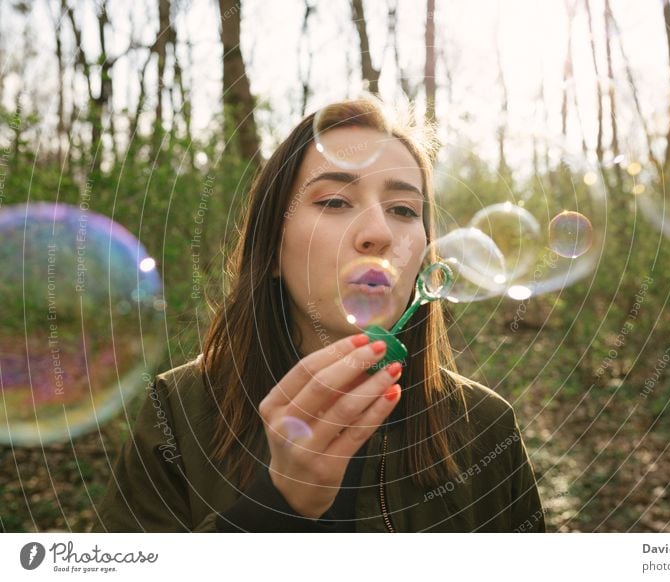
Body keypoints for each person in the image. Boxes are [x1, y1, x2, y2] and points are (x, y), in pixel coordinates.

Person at [93, 98, 546, 532]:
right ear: (270, 249)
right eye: (334, 202)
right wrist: (275, 508)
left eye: (404, 210)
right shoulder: (178, 411)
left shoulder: (486, 427)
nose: (378, 233)